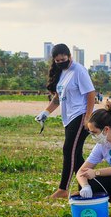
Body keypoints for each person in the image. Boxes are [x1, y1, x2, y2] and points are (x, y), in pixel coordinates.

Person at [35, 44, 96, 199]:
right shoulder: (62, 73)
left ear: (70, 56)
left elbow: (90, 94)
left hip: (80, 115)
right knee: (75, 153)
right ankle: (87, 185)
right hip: (68, 118)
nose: (61, 62)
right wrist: (46, 112)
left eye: (63, 59)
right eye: (57, 60)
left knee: (68, 150)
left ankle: (63, 189)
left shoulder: (79, 70)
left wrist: (88, 117)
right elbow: (58, 98)